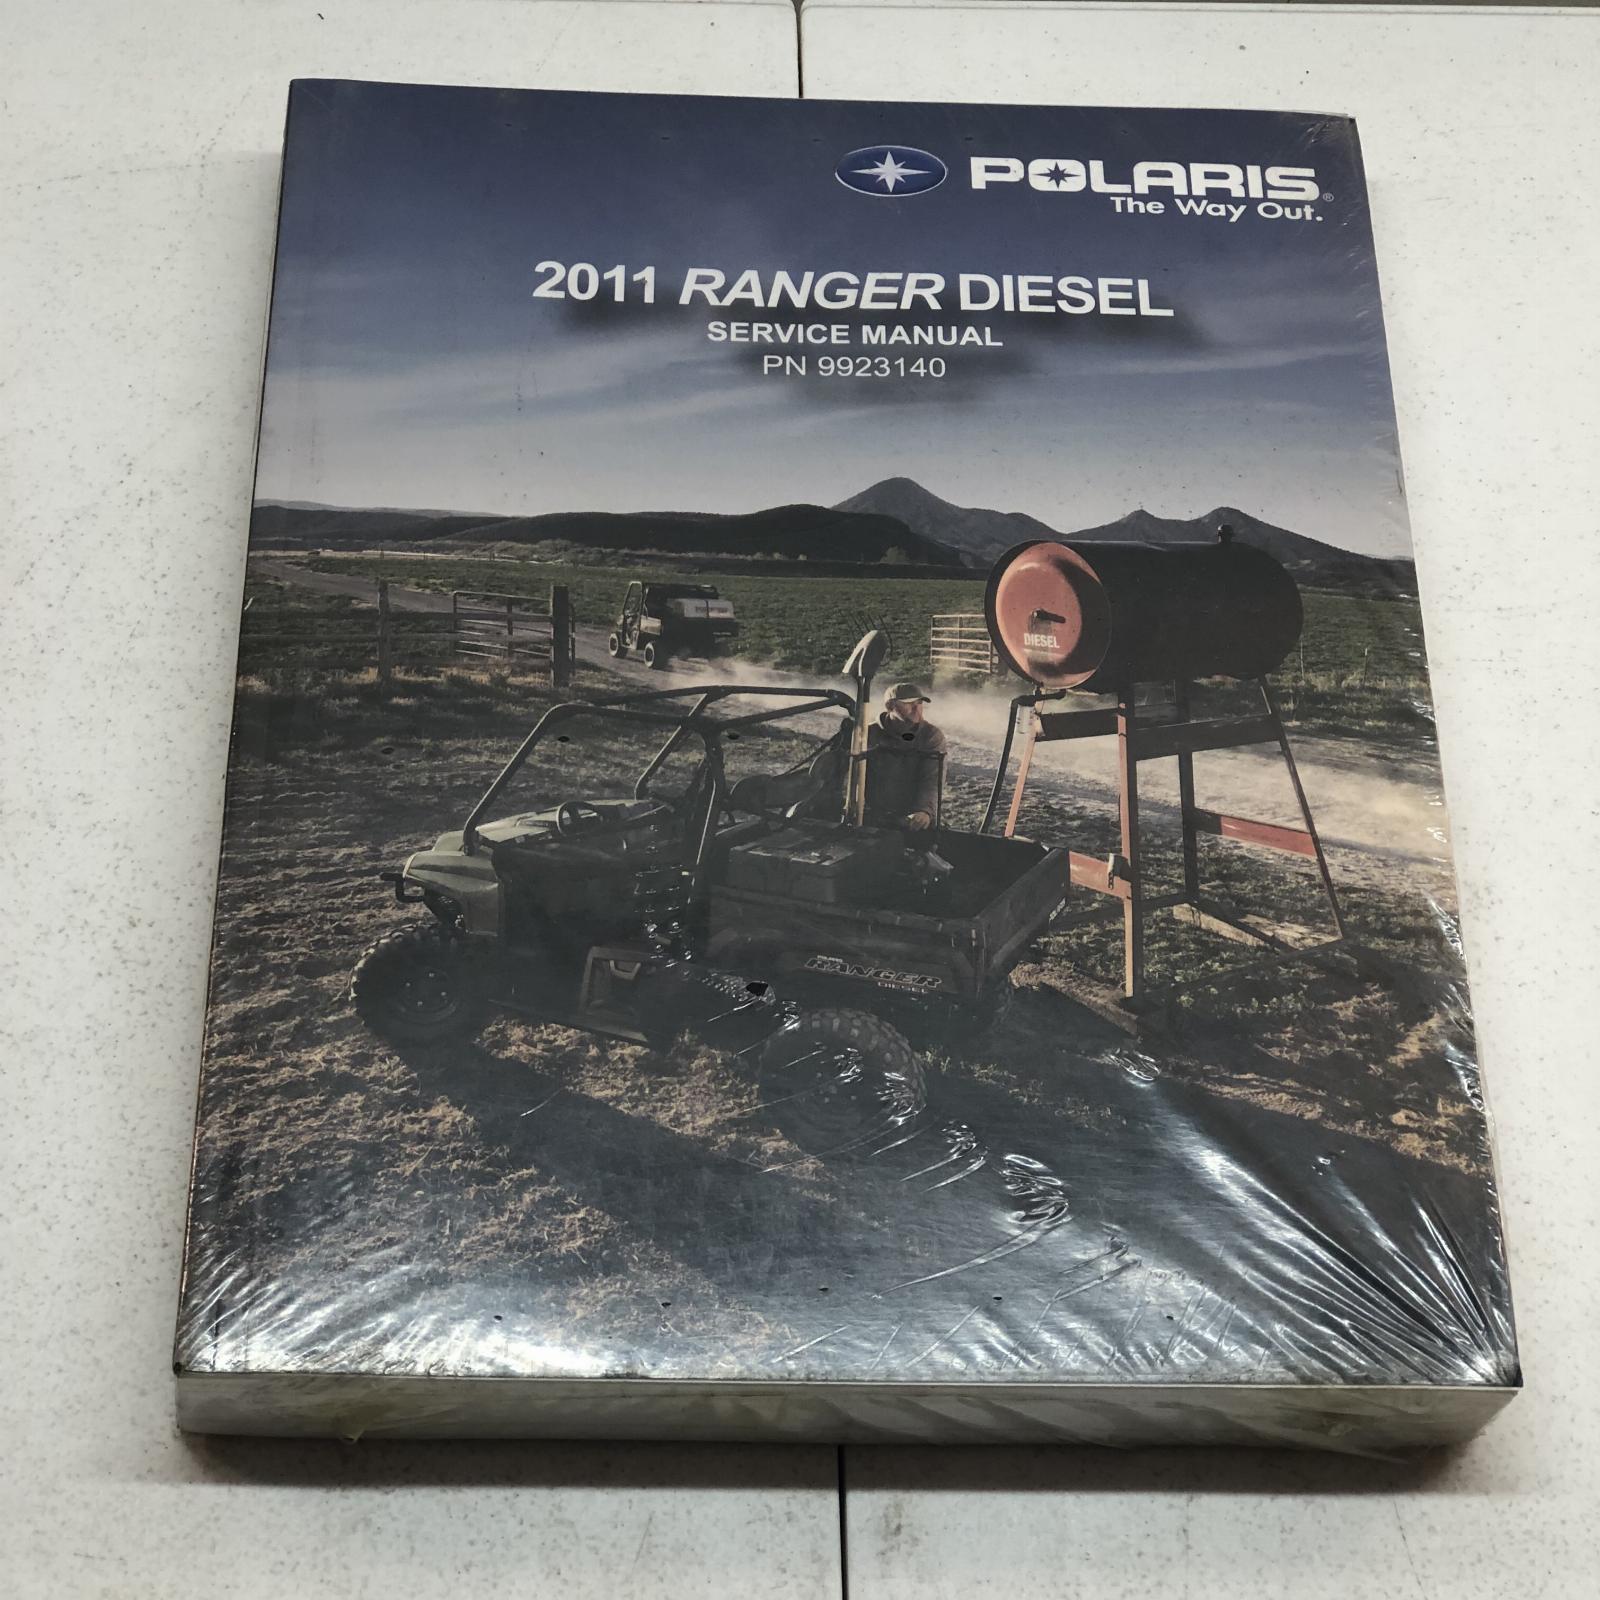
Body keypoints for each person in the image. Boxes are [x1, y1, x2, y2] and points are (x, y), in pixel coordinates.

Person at [865, 682, 948, 831]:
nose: (917, 708)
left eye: (919, 703)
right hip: (870, 814)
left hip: (911, 818)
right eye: (909, 703)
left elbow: (932, 779)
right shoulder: (868, 733)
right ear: (890, 706)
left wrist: (924, 810)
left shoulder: (931, 736)